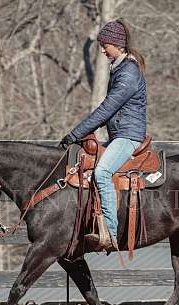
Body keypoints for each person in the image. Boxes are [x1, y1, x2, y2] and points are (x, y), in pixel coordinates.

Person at [60, 19, 146, 252]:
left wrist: (75, 133)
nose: (101, 49)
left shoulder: (128, 73)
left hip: (128, 136)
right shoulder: (120, 68)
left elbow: (107, 108)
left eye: (104, 44)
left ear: (117, 44)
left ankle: (109, 231)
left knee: (102, 171)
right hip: (120, 133)